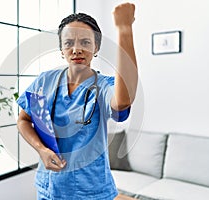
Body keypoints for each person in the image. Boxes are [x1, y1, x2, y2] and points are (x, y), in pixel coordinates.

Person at [17, 3, 138, 200]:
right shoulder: (45, 80)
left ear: (96, 47)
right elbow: (23, 121)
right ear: (61, 49)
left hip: (91, 190)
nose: (76, 49)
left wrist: (124, 30)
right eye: (69, 43)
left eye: (85, 42)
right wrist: (42, 150)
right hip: (49, 188)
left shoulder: (105, 86)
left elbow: (123, 101)